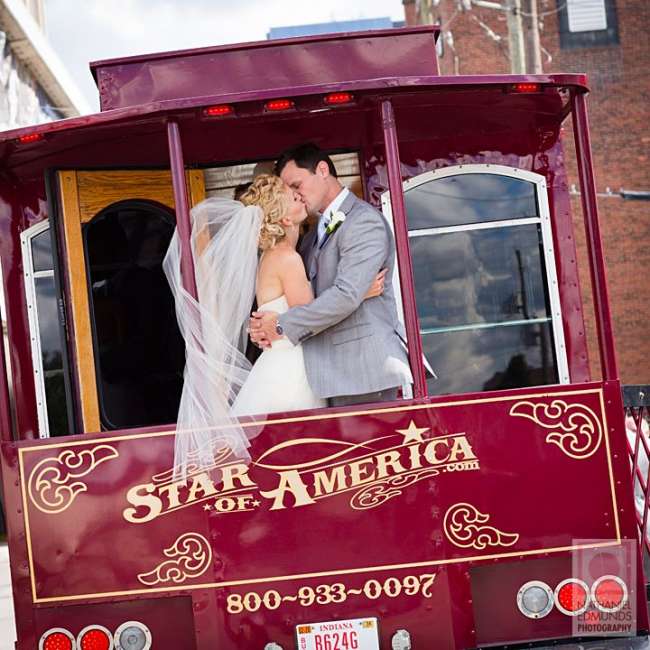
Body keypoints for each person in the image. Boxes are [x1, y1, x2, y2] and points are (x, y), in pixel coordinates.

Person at [164, 173, 385, 476]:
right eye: (290, 197)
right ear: (282, 220)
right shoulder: (287, 258)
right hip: (292, 371)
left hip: (282, 362)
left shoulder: (277, 255)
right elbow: (313, 316)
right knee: (298, 458)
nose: (298, 196)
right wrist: (359, 294)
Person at [249, 143, 412, 406]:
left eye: (296, 185)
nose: (296, 196)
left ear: (322, 170)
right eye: (289, 192)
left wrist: (280, 325)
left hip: (363, 370)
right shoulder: (310, 236)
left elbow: (346, 295)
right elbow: (327, 296)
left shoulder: (363, 221)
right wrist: (264, 324)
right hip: (328, 373)